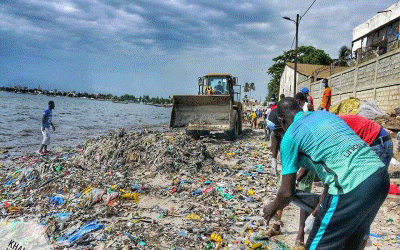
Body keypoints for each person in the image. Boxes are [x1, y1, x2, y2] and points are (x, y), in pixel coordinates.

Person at [263, 97, 389, 250]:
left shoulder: (290, 136)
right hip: (380, 177)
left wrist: (272, 208)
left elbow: (286, 192)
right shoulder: (325, 116)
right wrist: (318, 210)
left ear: (281, 120)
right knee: (348, 246)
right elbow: (335, 168)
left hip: (351, 186)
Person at [265, 108, 316, 249]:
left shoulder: (301, 130)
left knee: (304, 196)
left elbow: (312, 158)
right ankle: (276, 225)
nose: (278, 133)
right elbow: (275, 137)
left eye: (278, 130)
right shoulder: (278, 127)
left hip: (307, 163)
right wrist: (273, 159)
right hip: (291, 162)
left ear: (284, 122)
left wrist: (298, 178)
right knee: (282, 191)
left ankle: (301, 234)